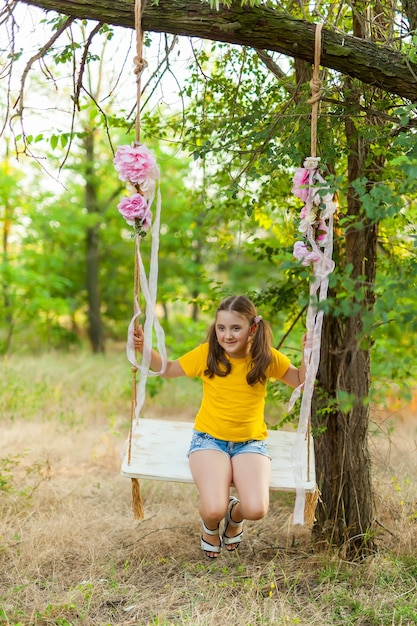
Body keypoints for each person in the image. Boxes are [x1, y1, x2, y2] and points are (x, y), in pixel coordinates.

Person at [134, 295, 306, 558]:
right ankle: (211, 525)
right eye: (221, 328)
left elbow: (300, 380)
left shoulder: (265, 358)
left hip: (250, 443)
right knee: (213, 508)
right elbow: (167, 369)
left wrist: (309, 354)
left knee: (256, 509)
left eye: (235, 328)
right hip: (209, 440)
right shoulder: (208, 354)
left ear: (253, 328)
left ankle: (234, 515)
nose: (227, 335)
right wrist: (144, 347)